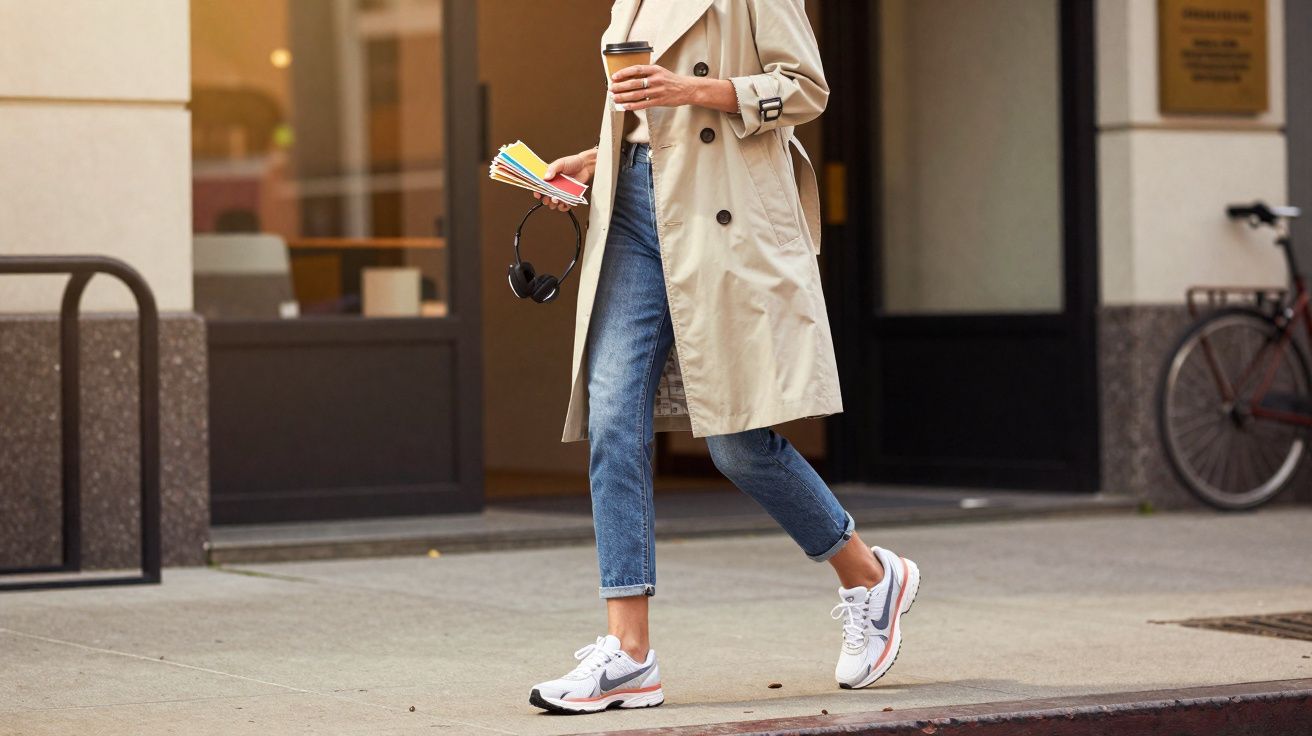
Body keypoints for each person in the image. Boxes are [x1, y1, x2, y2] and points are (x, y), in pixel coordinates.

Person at [526, 0, 920, 714]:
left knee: (738, 443)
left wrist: (695, 89)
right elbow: (642, 111)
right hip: (634, 214)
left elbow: (806, 88)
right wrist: (594, 161)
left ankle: (868, 575)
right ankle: (630, 656)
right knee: (613, 418)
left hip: (722, 215)